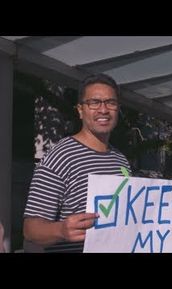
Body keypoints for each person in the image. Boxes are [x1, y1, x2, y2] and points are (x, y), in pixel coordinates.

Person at [23, 74, 130, 252]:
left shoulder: (121, 159)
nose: (103, 110)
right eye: (94, 102)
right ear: (80, 110)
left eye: (111, 102)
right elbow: (30, 229)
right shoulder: (61, 156)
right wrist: (60, 230)